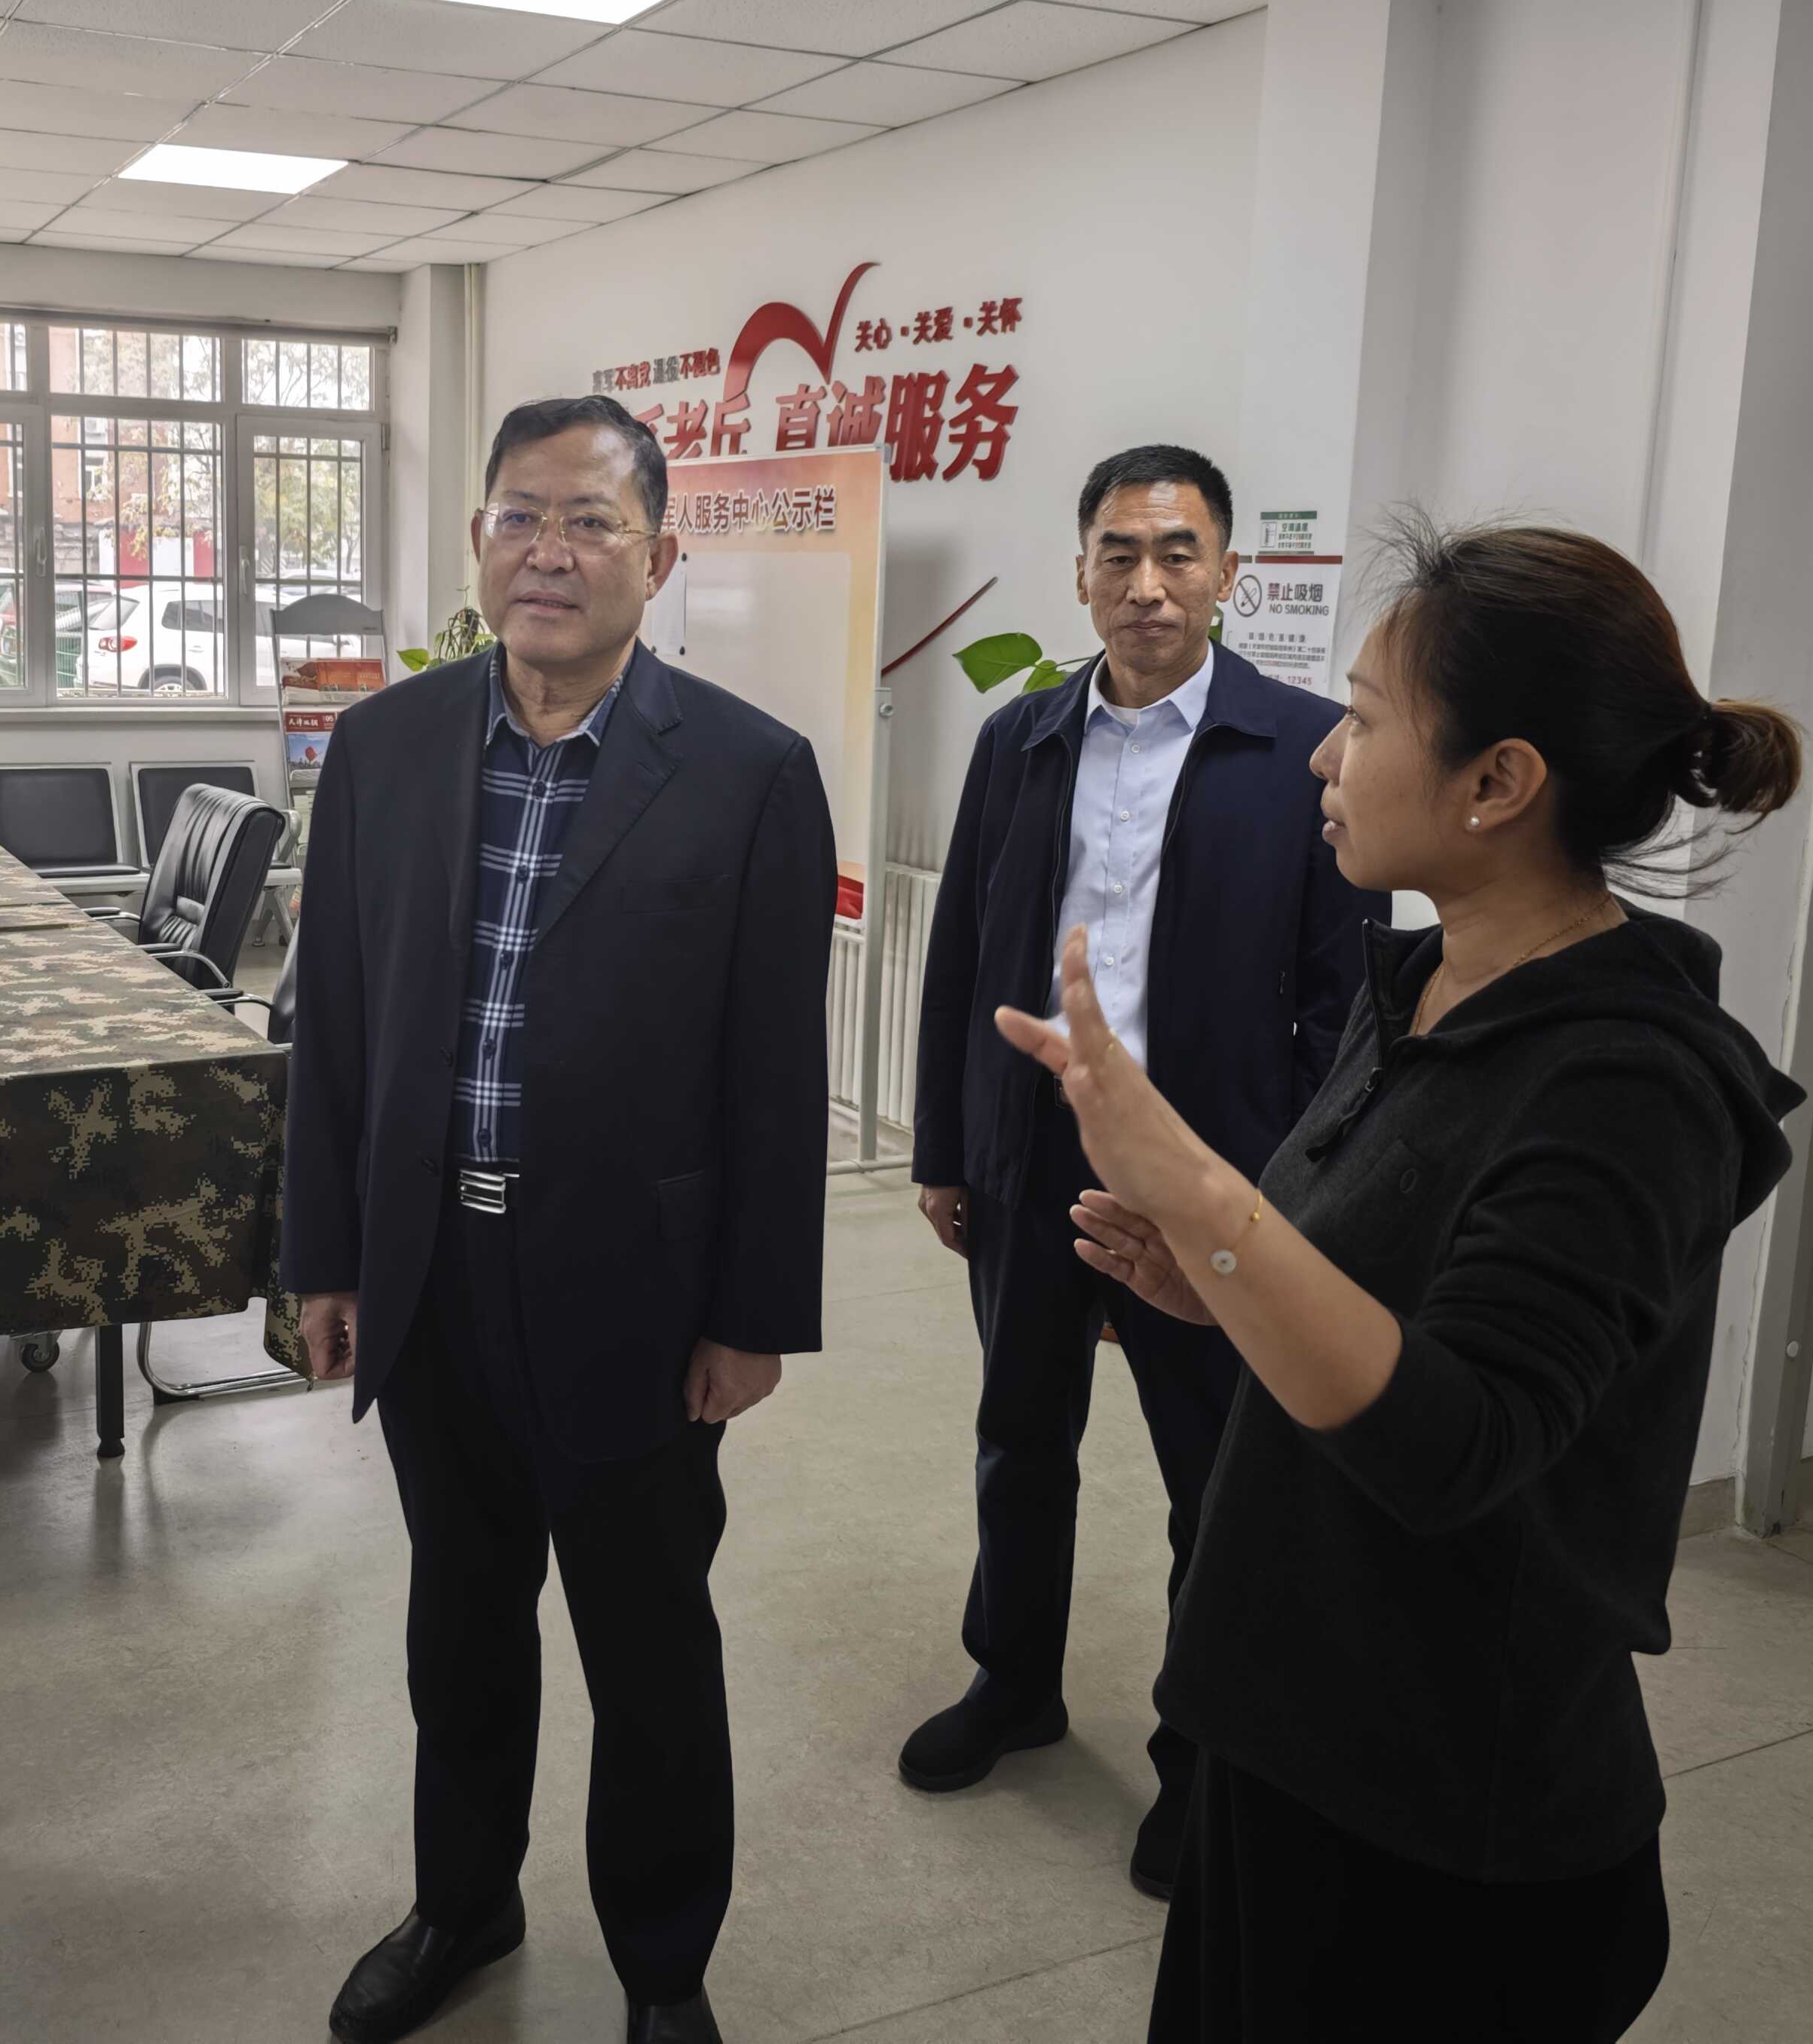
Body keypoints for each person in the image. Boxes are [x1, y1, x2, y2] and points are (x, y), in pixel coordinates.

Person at [1000, 523, 1806, 2041]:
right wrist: (1218, 1286)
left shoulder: (1627, 1084)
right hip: (1283, 1726)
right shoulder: (1429, 982)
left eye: (1364, 722)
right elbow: (1372, 1297)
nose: (1325, 756)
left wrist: (1199, 1191)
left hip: (1444, 1820)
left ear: (1495, 783)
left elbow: (1457, 1441)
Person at [283, 394, 838, 2044]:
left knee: (648, 1647)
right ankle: (462, 1903)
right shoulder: (384, 749)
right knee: (459, 1626)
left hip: (634, 1295)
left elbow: (773, 1074)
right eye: (521, 516)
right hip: (432, 1276)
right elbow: (335, 1027)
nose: (550, 552)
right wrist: (324, 1256)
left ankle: (664, 1967)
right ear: (476, 542)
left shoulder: (748, 772)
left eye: (592, 522)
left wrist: (752, 1313)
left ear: (656, 561)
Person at [902, 445, 1383, 1897]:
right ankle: (1014, 1681)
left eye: (1179, 554)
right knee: (1019, 1436)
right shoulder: (1020, 739)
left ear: (1229, 573)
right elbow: (961, 956)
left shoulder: (1303, 749)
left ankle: (1201, 1754)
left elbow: (1344, 1005)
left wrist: (1289, 1195)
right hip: (1033, 1154)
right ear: (1082, 574)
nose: (1149, 584)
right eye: (1119, 554)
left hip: (1214, 1176)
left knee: (1213, 1478)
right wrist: (947, 1148)